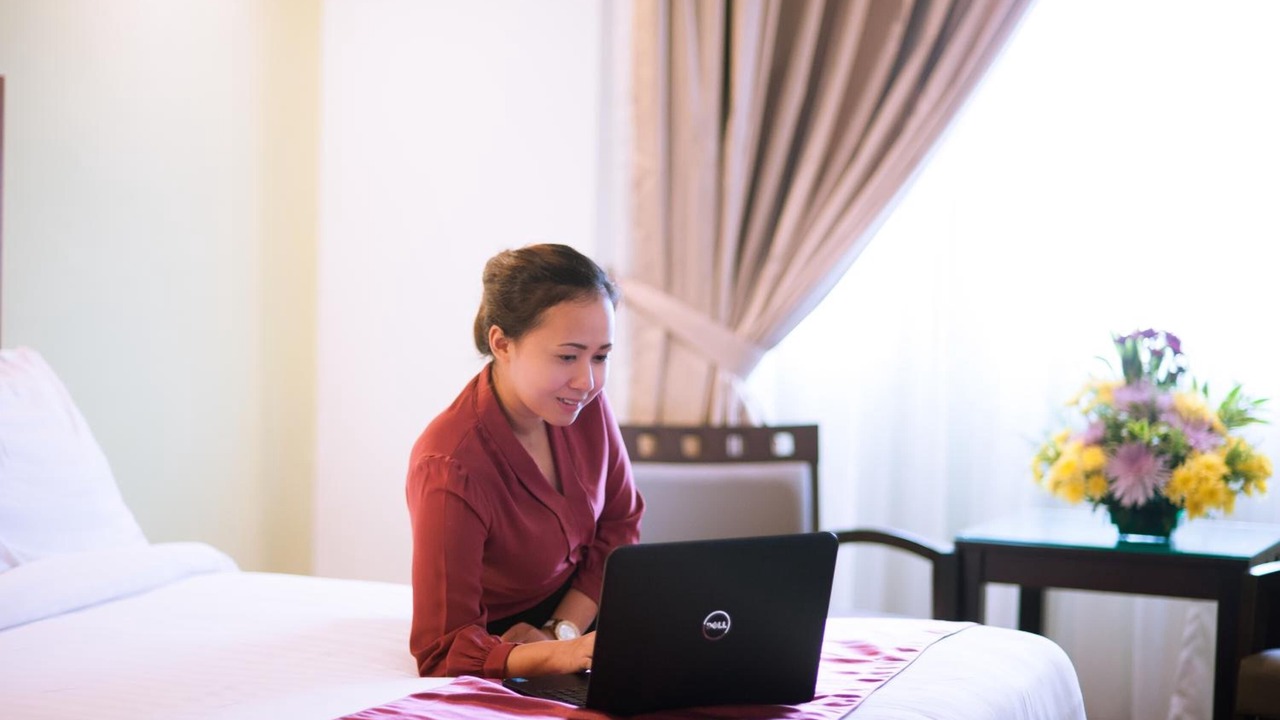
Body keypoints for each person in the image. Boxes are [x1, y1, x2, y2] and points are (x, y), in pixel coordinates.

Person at [406, 243, 645, 679]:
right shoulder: (450, 466)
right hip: (506, 647)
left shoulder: (583, 405)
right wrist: (556, 654)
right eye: (568, 356)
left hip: (580, 625)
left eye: (601, 356)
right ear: (502, 343)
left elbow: (620, 524)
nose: (587, 380)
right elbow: (442, 650)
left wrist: (562, 630)